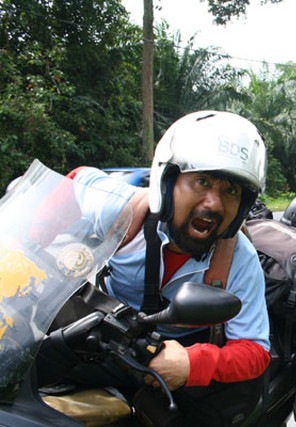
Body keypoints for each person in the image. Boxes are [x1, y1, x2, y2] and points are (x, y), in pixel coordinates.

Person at [69, 111, 270, 425]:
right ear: (167, 181)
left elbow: (255, 350)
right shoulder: (121, 212)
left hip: (179, 362)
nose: (214, 204)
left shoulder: (238, 258)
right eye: (202, 181)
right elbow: (76, 179)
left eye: (231, 191)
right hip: (104, 340)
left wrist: (193, 363)